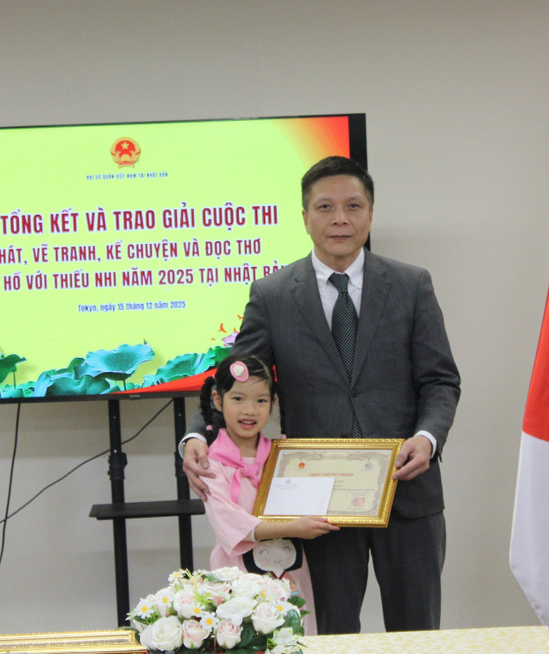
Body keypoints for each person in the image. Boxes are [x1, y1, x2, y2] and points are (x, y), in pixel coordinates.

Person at [183, 155, 461, 635]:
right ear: (305, 216)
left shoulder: (411, 285)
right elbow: (233, 380)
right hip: (317, 501)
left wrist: (428, 437)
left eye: (353, 206)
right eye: (325, 207)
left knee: (417, 632)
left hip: (407, 491)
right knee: (329, 633)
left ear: (370, 214)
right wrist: (195, 437)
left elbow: (440, 380)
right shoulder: (272, 294)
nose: (340, 219)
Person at [199, 352, 337, 636]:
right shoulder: (211, 463)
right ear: (217, 400)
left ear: (272, 403)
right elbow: (230, 525)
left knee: (295, 635)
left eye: (261, 400)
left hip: (291, 572)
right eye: (238, 399)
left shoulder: (283, 454)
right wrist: (294, 527)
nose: (249, 410)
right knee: (246, 638)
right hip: (237, 575)